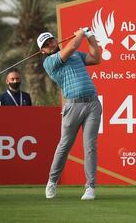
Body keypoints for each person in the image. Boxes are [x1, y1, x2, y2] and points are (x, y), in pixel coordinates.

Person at [38, 29, 102, 201]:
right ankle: (52, 181)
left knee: (90, 146)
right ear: (42, 51)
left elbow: (96, 58)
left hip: (93, 104)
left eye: (51, 41)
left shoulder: (75, 56)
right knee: (65, 145)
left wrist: (90, 38)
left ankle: (90, 187)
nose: (50, 45)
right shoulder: (50, 62)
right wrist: (81, 33)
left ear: (56, 40)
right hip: (72, 106)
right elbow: (73, 45)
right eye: (45, 45)